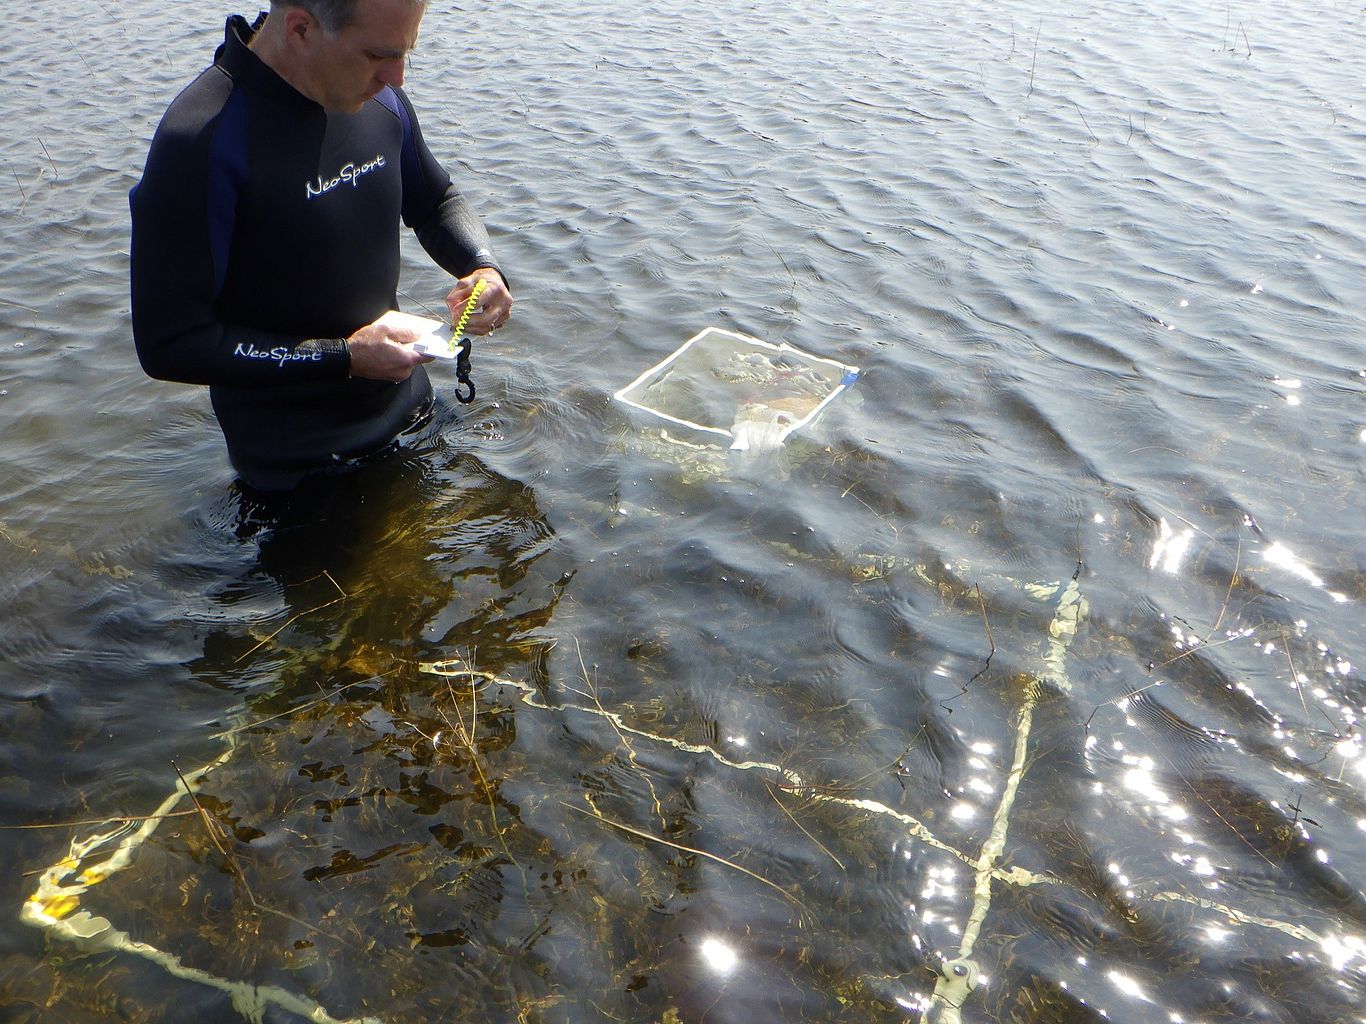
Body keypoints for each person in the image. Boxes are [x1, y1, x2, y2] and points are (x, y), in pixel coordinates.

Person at [130, 0, 513, 491]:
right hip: (296, 476)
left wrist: (482, 267)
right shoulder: (202, 141)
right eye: (378, 56)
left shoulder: (380, 100)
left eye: (405, 54)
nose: (396, 78)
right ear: (301, 29)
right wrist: (343, 356)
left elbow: (435, 200)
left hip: (417, 422)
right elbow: (169, 346)